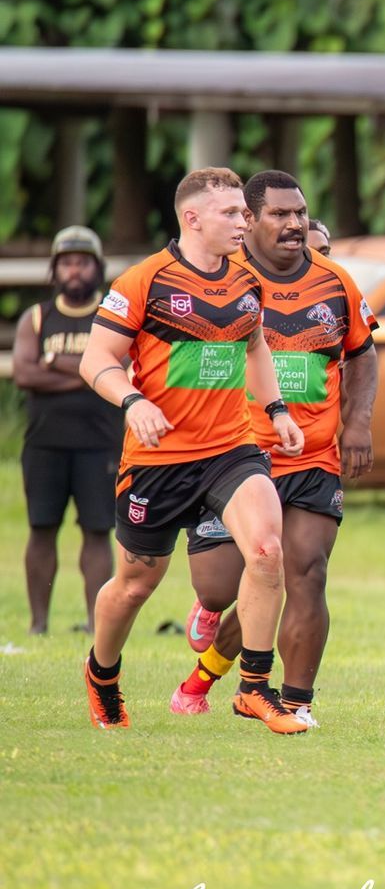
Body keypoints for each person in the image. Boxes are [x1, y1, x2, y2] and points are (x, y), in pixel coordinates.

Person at [77, 168, 309, 733]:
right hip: (157, 460)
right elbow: (95, 360)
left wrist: (277, 410)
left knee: (267, 550)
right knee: (135, 584)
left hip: (231, 448)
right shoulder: (145, 281)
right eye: (231, 213)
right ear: (193, 218)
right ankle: (102, 674)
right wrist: (133, 401)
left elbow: (255, 347)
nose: (243, 222)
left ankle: (254, 689)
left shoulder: (247, 281)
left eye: (244, 212)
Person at [171, 171, 378, 728]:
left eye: (300, 214)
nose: (294, 224)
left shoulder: (336, 282)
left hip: (312, 457)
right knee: (223, 586)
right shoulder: (221, 278)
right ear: (250, 220)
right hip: (233, 454)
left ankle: (296, 701)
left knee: (305, 571)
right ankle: (209, 628)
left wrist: (358, 424)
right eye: (280, 214)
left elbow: (363, 352)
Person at [13, 226, 119, 634]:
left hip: (100, 444)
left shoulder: (111, 316)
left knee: (97, 531)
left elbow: (121, 369)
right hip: (45, 443)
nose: (75, 270)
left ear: (98, 268)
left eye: (83, 262)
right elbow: (25, 374)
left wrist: (54, 362)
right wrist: (91, 372)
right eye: (67, 263)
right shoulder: (37, 317)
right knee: (42, 529)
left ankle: (96, 623)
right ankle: (38, 624)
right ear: (55, 270)